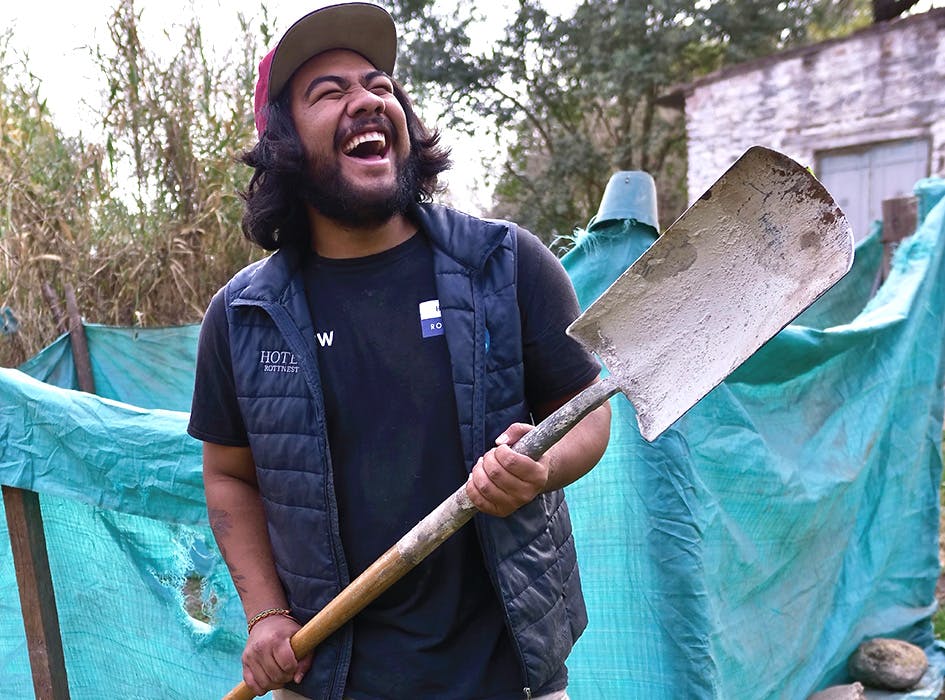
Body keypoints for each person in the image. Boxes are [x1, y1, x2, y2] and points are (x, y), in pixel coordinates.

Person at [187, 3, 611, 699]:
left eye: (380, 86)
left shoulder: (506, 266)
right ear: (284, 144)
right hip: (328, 680)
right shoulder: (244, 317)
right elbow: (229, 476)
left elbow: (586, 411)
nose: (366, 101)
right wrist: (265, 616)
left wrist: (541, 467)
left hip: (508, 678)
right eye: (330, 93)